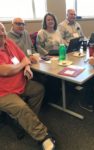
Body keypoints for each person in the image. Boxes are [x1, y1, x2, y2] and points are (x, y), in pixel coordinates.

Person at [0, 22, 55, 150]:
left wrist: (27, 67)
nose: (1, 33)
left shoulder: (8, 42)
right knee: (21, 107)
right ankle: (43, 136)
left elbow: (23, 57)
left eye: (2, 30)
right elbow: (6, 71)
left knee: (39, 89)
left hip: (20, 83)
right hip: (3, 93)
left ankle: (24, 123)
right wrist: (22, 64)